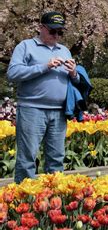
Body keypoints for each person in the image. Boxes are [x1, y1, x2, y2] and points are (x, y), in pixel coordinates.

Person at [7, 11, 79, 183]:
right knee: (27, 158)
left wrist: (74, 73)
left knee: (56, 158)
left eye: (60, 32)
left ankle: (52, 202)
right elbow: (12, 73)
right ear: (41, 28)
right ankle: (24, 200)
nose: (56, 35)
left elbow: (74, 81)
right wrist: (44, 66)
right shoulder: (26, 46)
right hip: (32, 109)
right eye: (52, 31)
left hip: (59, 111)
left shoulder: (64, 50)